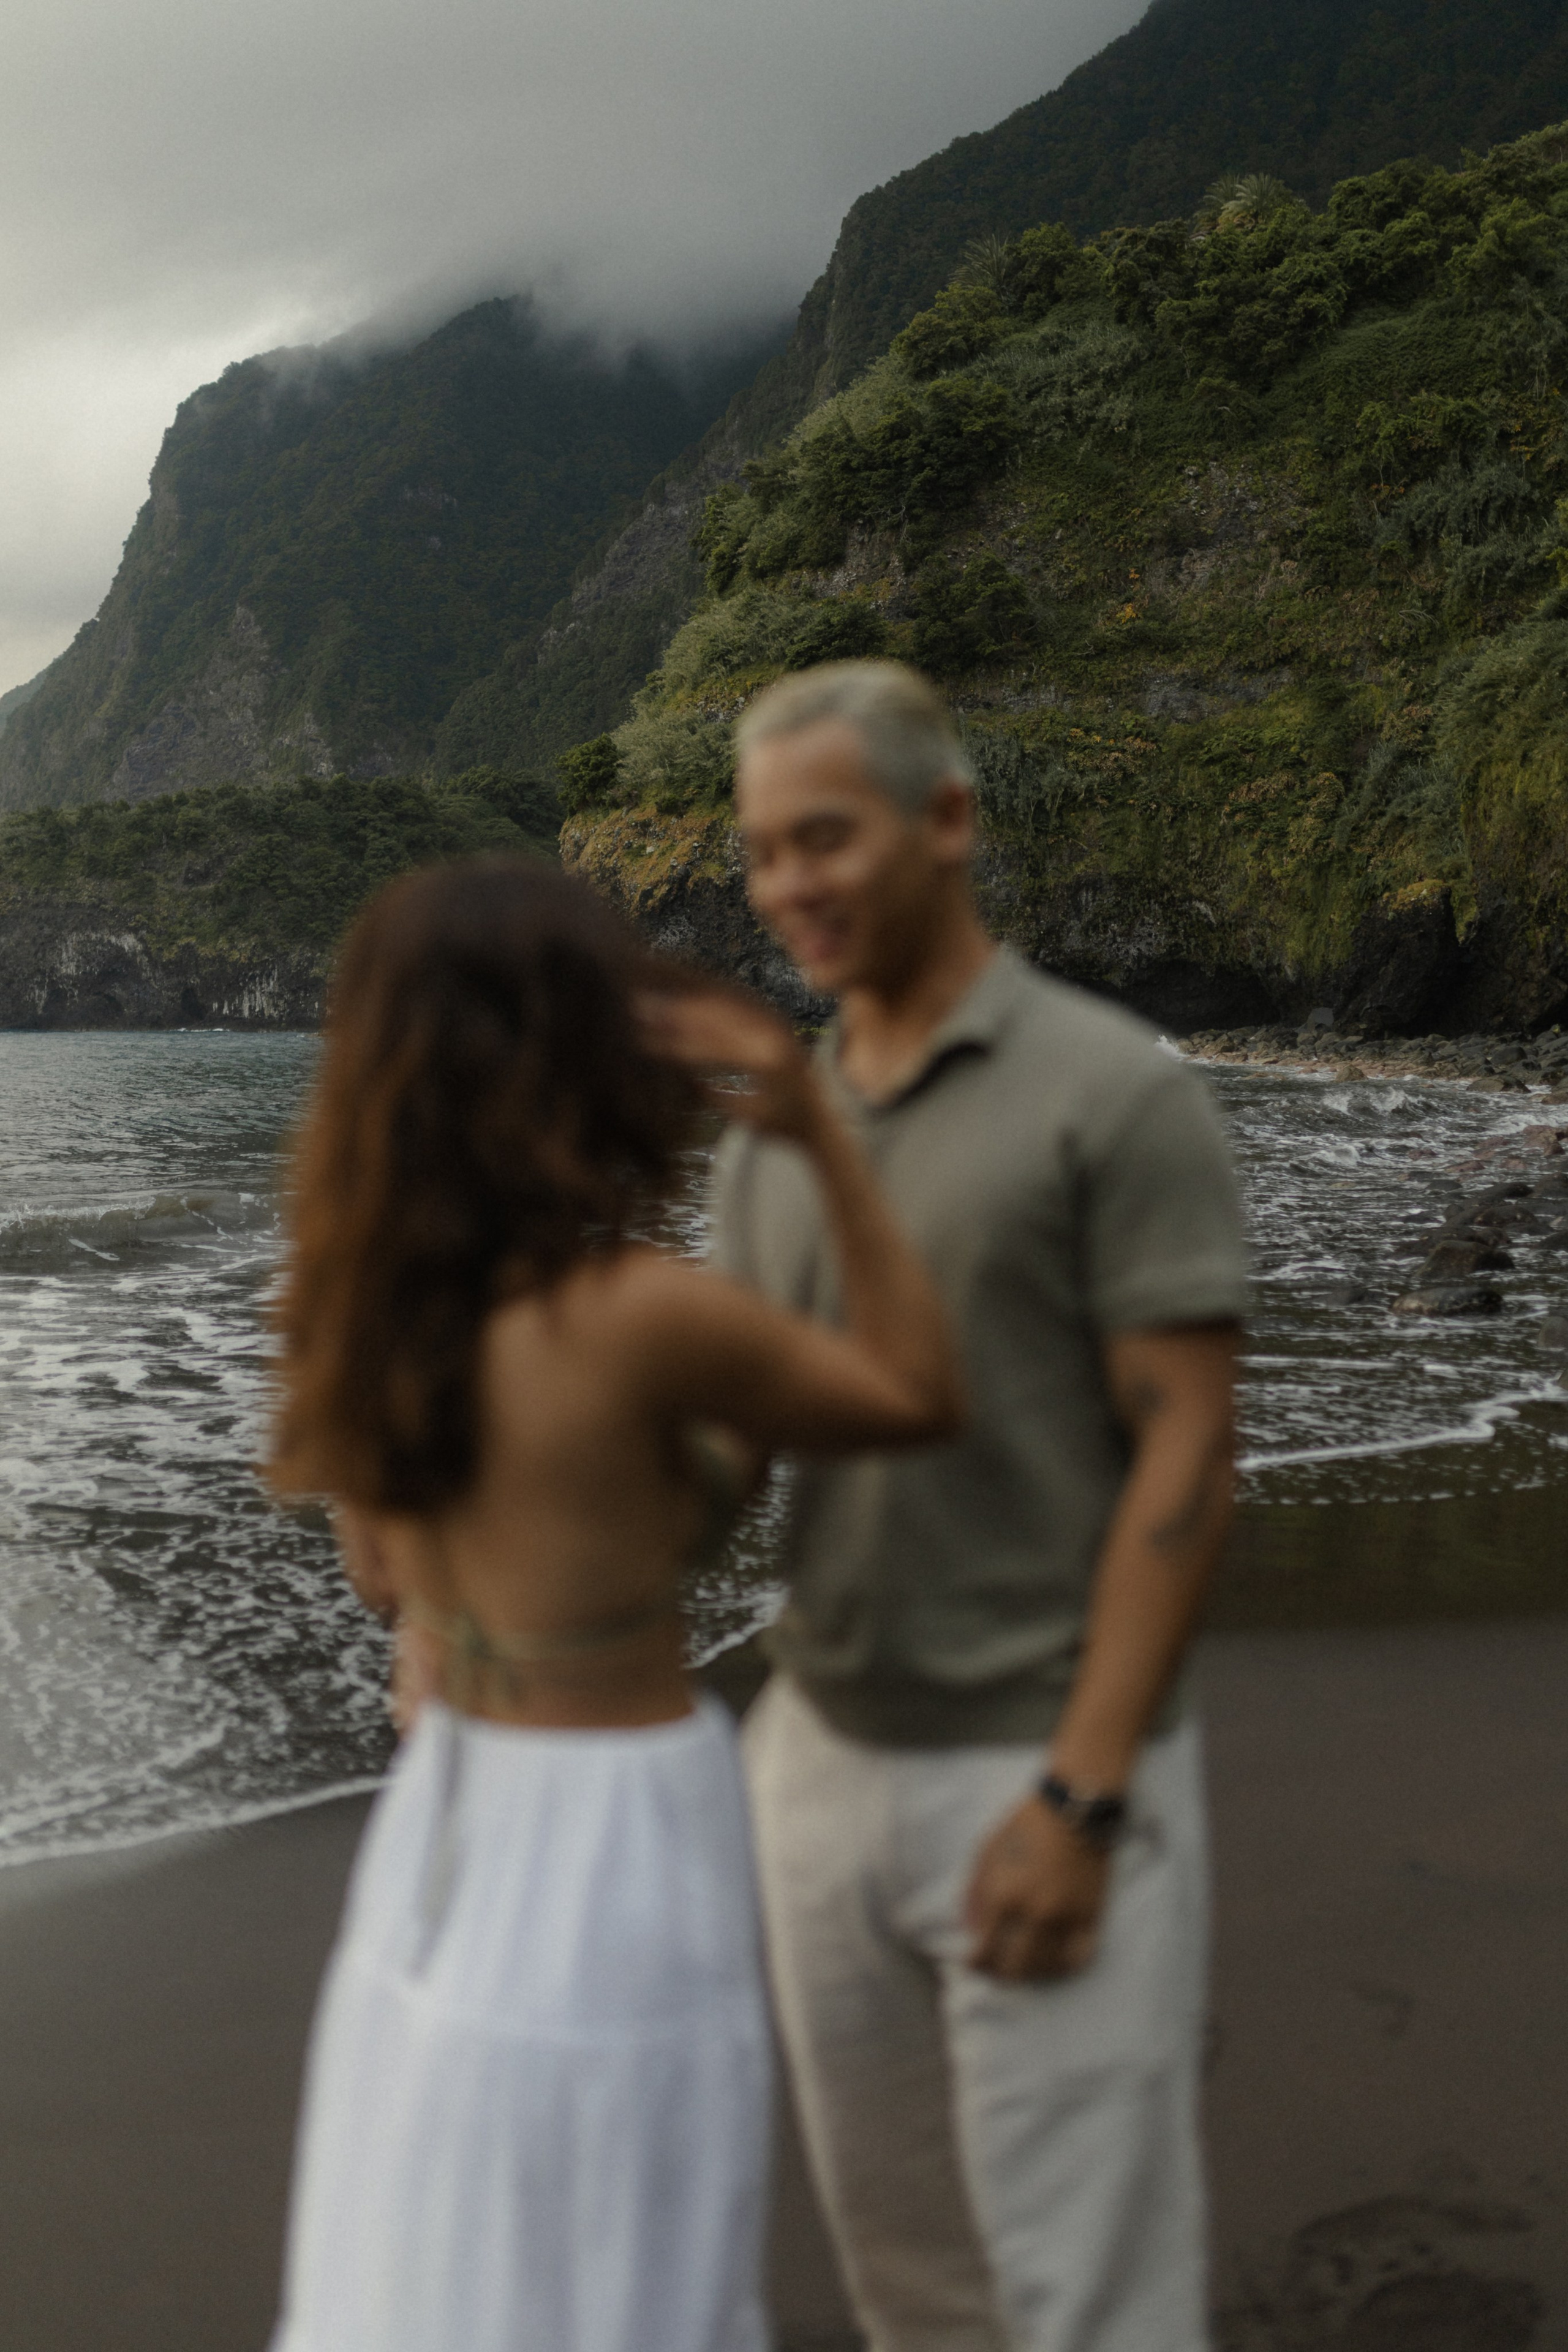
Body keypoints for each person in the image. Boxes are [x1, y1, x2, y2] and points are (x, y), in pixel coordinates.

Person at [263, 856, 963, 2352]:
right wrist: (819, 1132)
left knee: (443, 2221)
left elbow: (394, 1589)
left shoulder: (360, 1314)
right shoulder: (638, 1317)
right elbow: (914, 1390)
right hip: (618, 1818)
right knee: (630, 2231)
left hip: (446, 1812)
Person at [708, 662, 1249, 2352]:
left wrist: (1081, 1798)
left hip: (1044, 1756)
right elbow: (728, 1464)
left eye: (827, 837)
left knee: (1093, 2299)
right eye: (761, 852)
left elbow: (1186, 1451)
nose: (790, 884)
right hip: (815, 1766)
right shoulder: (769, 1143)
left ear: (946, 822)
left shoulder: (1114, 1091)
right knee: (910, 2287)